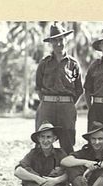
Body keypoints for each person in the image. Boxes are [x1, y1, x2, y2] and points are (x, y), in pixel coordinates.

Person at [35, 22, 83, 154]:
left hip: (66, 107)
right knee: (43, 139)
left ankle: (68, 172)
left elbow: (79, 89)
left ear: (65, 40)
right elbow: (38, 87)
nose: (58, 44)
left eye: (61, 40)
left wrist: (68, 104)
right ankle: (42, 171)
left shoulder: (73, 64)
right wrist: (47, 102)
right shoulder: (44, 63)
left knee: (67, 142)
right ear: (51, 42)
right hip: (47, 106)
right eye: (55, 40)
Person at [14, 122, 68, 186]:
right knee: (26, 172)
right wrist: (39, 179)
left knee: (58, 171)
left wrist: (55, 180)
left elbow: (71, 173)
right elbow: (17, 171)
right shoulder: (33, 153)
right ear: (38, 139)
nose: (45, 140)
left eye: (48, 137)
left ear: (54, 139)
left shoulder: (60, 153)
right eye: (42, 137)